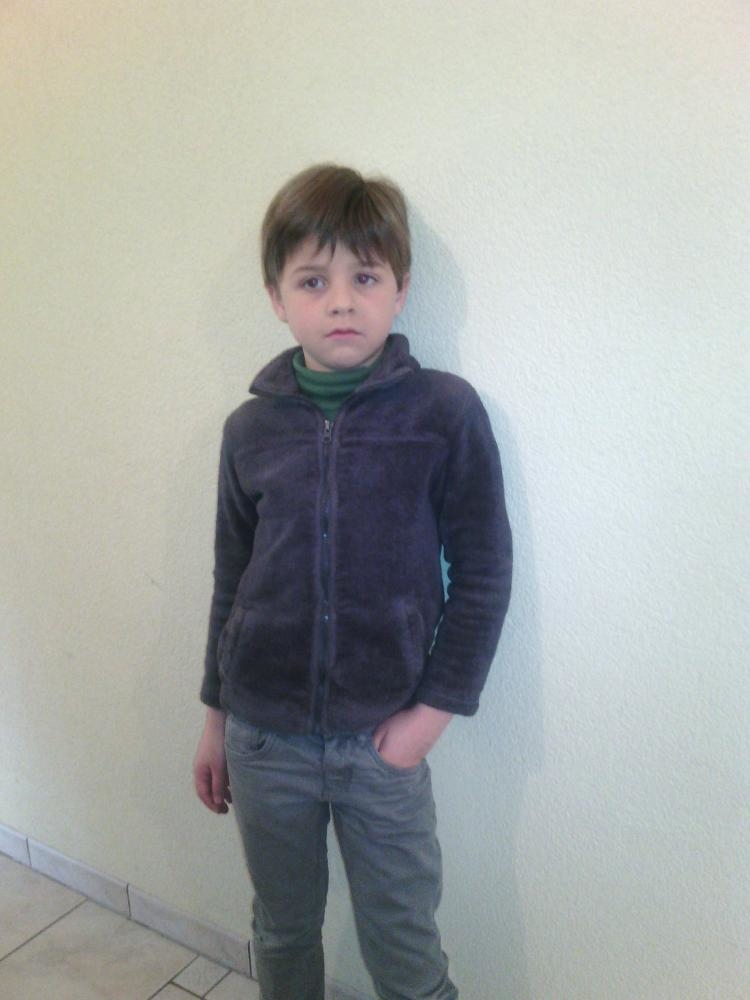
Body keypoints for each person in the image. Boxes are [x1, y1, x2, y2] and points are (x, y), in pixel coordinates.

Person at [193, 164, 512, 1000]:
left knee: (404, 946)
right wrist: (216, 720)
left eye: (364, 277)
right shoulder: (249, 430)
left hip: (382, 742)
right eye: (313, 280)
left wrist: (428, 720)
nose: (341, 301)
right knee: (282, 929)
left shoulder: (443, 412)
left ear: (400, 290)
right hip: (264, 740)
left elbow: (484, 572)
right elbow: (232, 577)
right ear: (277, 298)